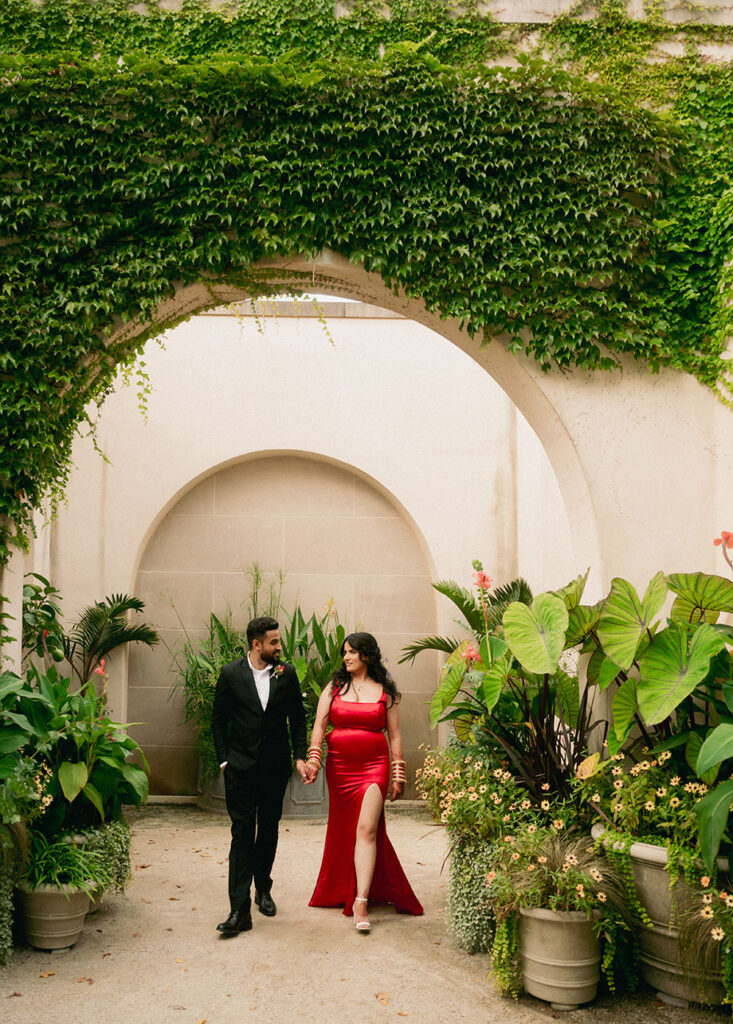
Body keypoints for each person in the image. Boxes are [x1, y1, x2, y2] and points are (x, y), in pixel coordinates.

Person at [306, 631, 423, 931]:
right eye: (344, 652)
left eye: (351, 652)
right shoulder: (334, 687)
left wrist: (398, 773)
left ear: (366, 655)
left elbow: (395, 735)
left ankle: (361, 901)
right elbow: (320, 724)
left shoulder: (386, 691)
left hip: (374, 767)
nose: (345, 657)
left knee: (367, 828)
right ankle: (345, 885)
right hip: (341, 768)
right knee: (347, 829)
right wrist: (314, 760)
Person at [211, 615, 307, 937]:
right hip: (240, 769)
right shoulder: (229, 675)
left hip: (275, 769)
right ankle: (239, 910)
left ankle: (263, 889)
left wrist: (298, 756)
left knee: (267, 831)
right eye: (274, 642)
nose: (279, 646)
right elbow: (218, 721)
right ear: (257, 644)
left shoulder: (287, 674)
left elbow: (298, 718)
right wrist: (225, 760)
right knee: (241, 834)